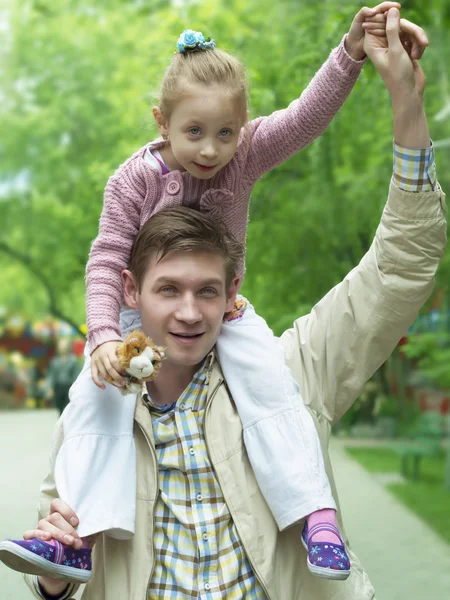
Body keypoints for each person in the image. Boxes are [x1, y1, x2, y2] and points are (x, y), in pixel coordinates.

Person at [12, 8, 446, 598]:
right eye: (169, 289)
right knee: (94, 407)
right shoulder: (95, 412)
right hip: (119, 355)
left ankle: (315, 516)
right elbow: (52, 584)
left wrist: (394, 92)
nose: (190, 311)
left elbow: (400, 262)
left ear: (231, 291)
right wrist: (52, 584)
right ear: (133, 289)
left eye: (208, 291)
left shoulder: (292, 371)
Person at [46, 340, 81, 416]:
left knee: (68, 405)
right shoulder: (54, 361)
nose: (63, 348)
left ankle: (67, 421)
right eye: (61, 346)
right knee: (59, 406)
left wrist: (76, 387)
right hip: (58, 387)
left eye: (64, 346)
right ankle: (61, 420)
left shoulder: (73, 360)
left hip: (69, 386)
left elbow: (76, 374)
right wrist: (50, 388)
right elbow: (51, 375)